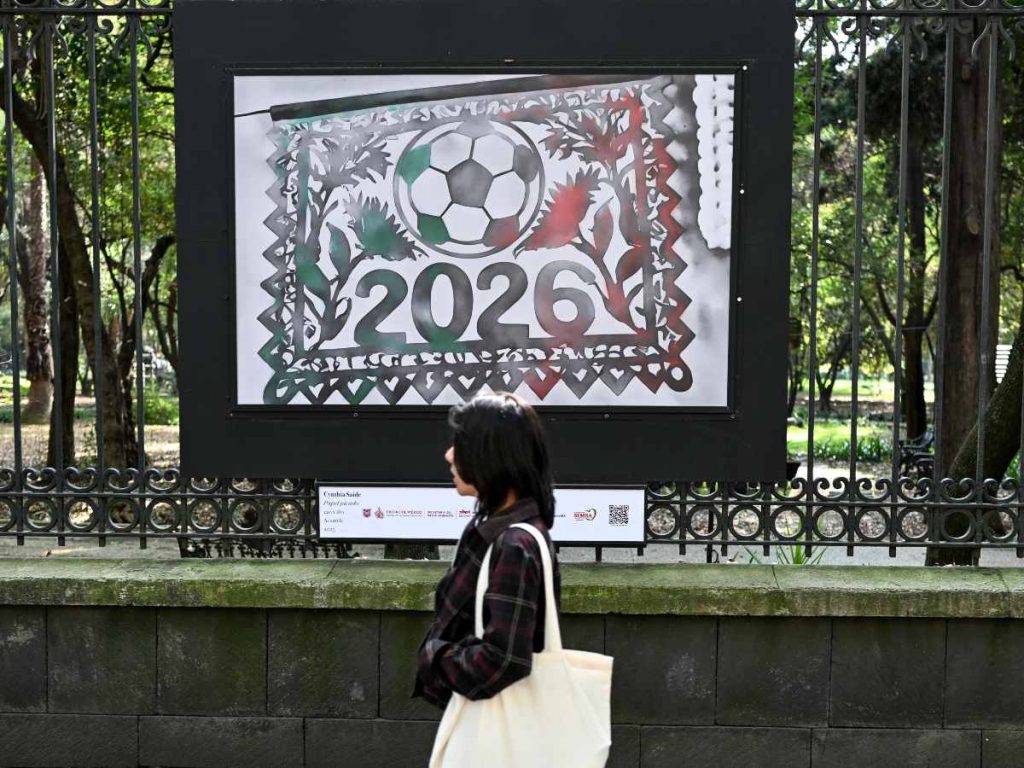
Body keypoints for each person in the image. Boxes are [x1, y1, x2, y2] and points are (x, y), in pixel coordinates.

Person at [412, 391, 560, 709]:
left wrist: (433, 656)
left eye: (462, 446)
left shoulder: (514, 545)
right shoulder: (494, 530)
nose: (450, 455)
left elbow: (504, 661)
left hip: (499, 728)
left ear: (490, 457)